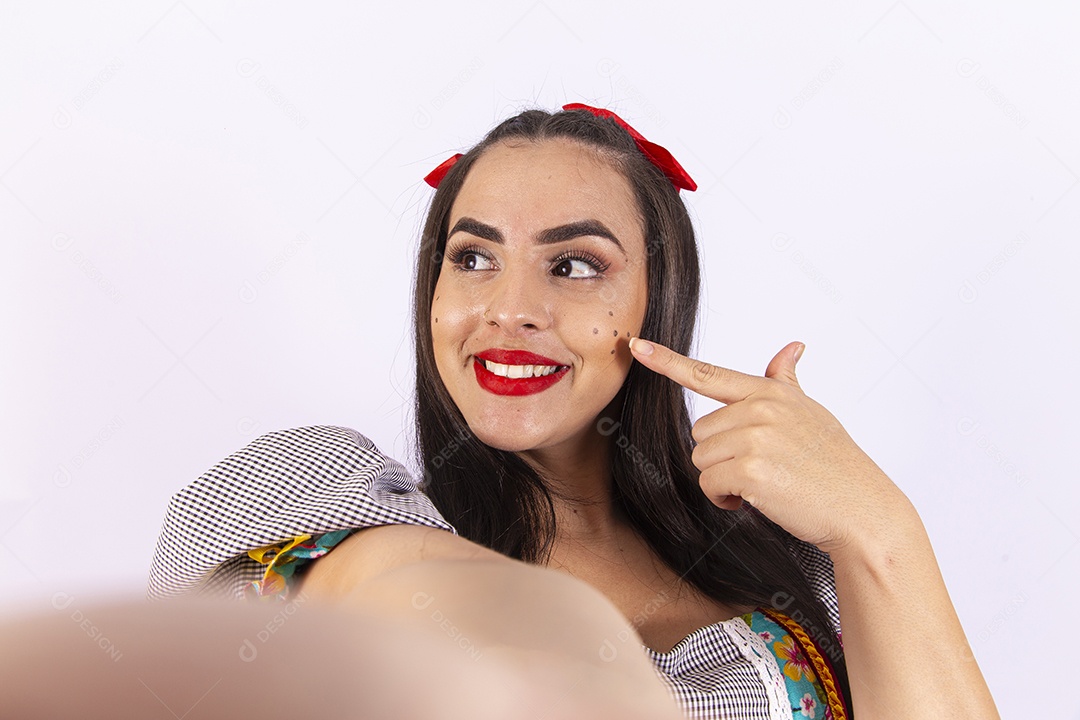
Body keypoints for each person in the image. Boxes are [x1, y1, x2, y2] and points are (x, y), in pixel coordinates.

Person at [1, 105, 1000, 719]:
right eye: (471, 257)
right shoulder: (317, 491)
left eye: (574, 265)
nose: (507, 308)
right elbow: (488, 623)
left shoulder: (791, 565)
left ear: (659, 303)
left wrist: (878, 526)